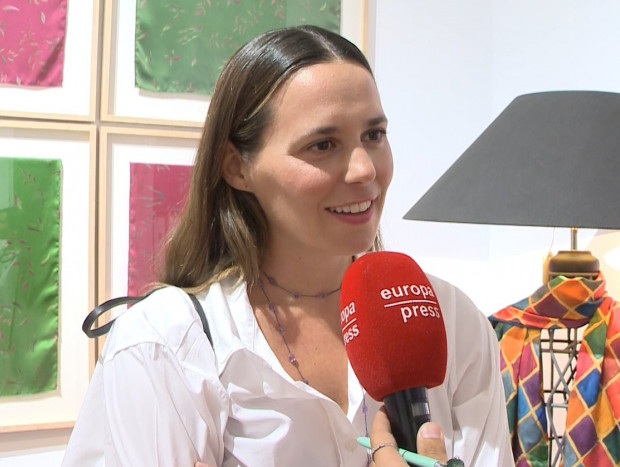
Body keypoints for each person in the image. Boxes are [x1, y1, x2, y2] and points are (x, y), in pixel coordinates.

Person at [63, 25, 513, 466]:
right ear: (237, 167)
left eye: (374, 135)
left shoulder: (452, 320)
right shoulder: (165, 345)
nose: (363, 170)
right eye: (323, 145)